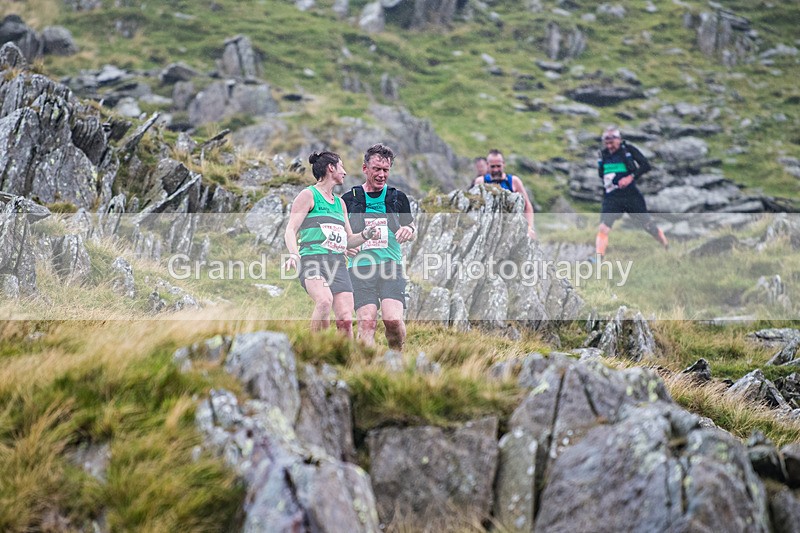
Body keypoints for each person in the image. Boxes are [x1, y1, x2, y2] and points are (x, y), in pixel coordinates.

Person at [284, 151, 378, 336]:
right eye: (341, 166)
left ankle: (346, 359)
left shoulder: (340, 204)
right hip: (312, 260)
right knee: (324, 301)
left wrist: (366, 234)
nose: (345, 172)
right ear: (331, 168)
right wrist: (294, 254)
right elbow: (290, 230)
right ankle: (315, 347)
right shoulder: (308, 195)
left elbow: (349, 240)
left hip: (337, 264)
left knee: (345, 318)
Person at [342, 143, 415, 351]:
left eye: (386, 170)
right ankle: (366, 366)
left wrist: (409, 231)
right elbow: (338, 236)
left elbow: (410, 226)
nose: (382, 175)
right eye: (377, 169)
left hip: (391, 266)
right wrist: (344, 247)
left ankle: (397, 358)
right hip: (359, 268)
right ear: (365, 169)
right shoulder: (349, 199)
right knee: (367, 321)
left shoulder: (397, 198)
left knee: (392, 320)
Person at [593, 127, 668, 259]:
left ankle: (665, 245)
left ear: (619, 140)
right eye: (607, 143)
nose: (610, 146)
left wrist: (630, 177)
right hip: (612, 198)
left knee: (647, 225)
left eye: (612, 143)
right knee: (603, 228)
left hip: (631, 196)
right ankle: (599, 258)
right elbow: (602, 174)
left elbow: (646, 165)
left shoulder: (628, 150)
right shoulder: (603, 154)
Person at [472, 149, 537, 239]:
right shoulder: (481, 181)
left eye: (498, 166)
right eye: (492, 166)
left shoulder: (513, 181)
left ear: (504, 164)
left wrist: (529, 228)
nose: (496, 169)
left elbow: (527, 206)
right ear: (487, 165)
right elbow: (475, 208)